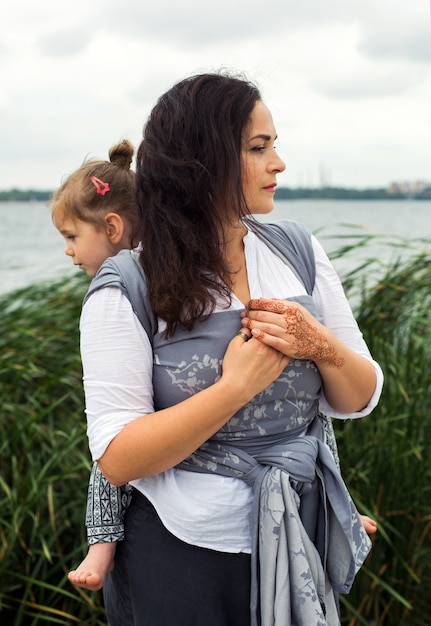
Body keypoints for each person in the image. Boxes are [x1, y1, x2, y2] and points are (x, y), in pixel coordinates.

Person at [79, 72, 383, 625]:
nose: (278, 163)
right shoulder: (127, 286)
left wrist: (321, 346)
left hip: (301, 531)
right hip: (182, 552)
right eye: (258, 148)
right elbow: (119, 457)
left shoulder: (298, 250)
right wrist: (236, 386)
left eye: (274, 145)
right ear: (202, 161)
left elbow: (359, 396)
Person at [50, 138, 139, 591]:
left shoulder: (117, 287)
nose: (68, 251)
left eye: (71, 237)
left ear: (112, 226)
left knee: (105, 458)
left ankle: (101, 547)